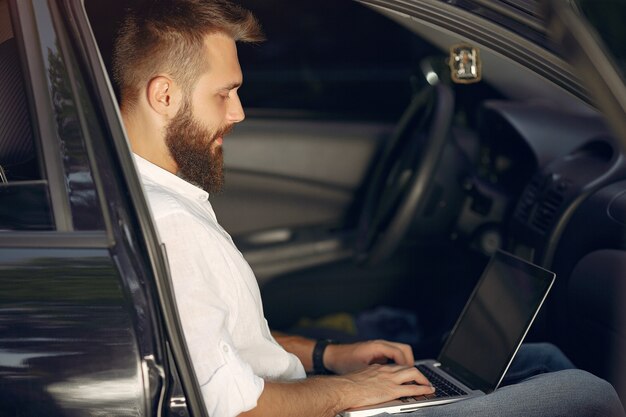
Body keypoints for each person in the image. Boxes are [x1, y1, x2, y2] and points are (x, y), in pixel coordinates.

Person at [112, 1, 626, 416]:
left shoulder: (154, 195)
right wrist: (351, 391)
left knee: (542, 360)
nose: (239, 112)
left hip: (306, 394)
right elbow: (232, 407)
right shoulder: (171, 226)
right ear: (164, 95)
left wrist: (330, 355)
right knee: (588, 392)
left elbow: (227, 342)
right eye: (225, 93)